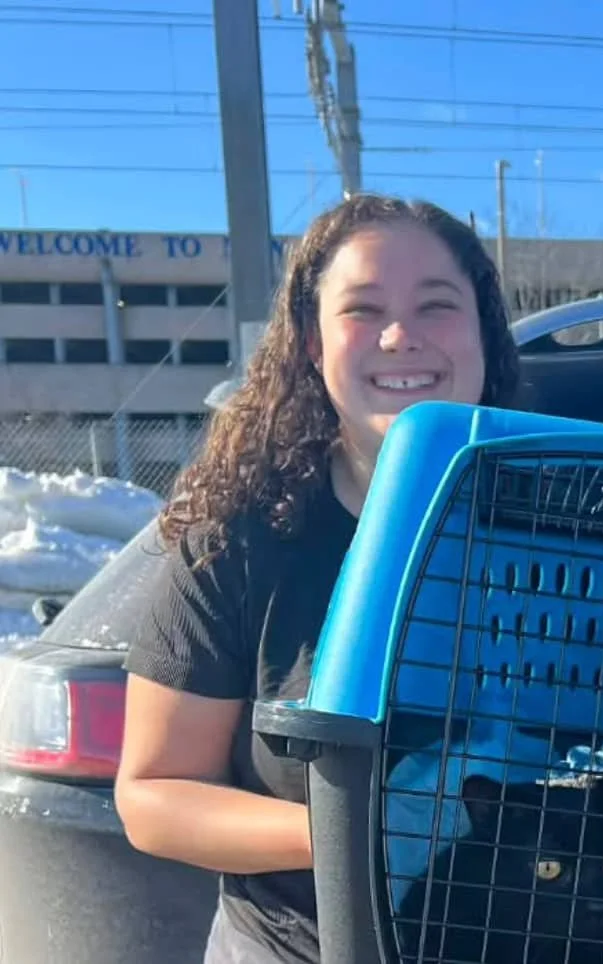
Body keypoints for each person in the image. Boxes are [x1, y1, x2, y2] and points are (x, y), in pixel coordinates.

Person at [113, 194, 520, 963]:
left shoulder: (570, 519)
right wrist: (348, 832)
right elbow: (154, 797)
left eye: (437, 305)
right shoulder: (238, 540)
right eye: (362, 310)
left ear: (482, 334)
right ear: (310, 342)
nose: (401, 337)